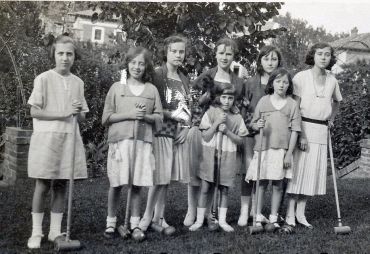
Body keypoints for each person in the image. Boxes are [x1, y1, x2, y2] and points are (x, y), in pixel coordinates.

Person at [27, 35, 89, 249]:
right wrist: (64, 112)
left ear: (74, 57)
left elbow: (81, 116)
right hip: (47, 137)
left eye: (69, 54)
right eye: (60, 53)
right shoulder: (43, 79)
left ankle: (55, 231)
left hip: (69, 137)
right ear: (53, 54)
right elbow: (35, 111)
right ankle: (36, 232)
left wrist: (78, 111)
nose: (65, 58)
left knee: (61, 184)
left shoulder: (78, 82)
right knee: (43, 183)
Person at [102, 46, 163, 239]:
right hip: (120, 143)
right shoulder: (117, 88)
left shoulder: (151, 90)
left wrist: (146, 116)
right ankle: (111, 223)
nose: (137, 67)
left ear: (147, 67)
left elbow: (159, 118)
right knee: (116, 183)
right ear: (127, 64)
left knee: (137, 184)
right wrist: (129, 114)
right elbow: (106, 118)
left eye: (141, 63)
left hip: (142, 142)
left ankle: (135, 224)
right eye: (133, 62)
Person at [186, 37, 247, 229]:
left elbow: (239, 107)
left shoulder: (237, 81)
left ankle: (212, 216)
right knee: (200, 174)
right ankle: (193, 211)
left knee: (219, 175)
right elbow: (192, 100)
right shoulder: (207, 76)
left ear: (233, 56)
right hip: (204, 128)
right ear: (215, 54)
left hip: (226, 132)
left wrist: (234, 114)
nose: (225, 57)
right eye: (221, 53)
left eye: (229, 53)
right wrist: (200, 111)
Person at [285, 42, 342, 229]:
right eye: (320, 54)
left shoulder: (333, 80)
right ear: (313, 56)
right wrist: (300, 134)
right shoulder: (301, 77)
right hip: (303, 128)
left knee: (312, 174)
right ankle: (289, 213)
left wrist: (331, 119)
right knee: (299, 171)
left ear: (331, 58)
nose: (324, 57)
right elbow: (294, 107)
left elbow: (337, 102)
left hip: (321, 129)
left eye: (327, 54)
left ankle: (301, 213)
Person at [139, 35, 191, 234]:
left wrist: (186, 126)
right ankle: (146, 217)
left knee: (166, 179)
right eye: (174, 51)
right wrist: (175, 115)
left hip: (176, 134)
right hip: (159, 131)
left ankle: (159, 217)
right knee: (158, 177)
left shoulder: (184, 78)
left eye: (181, 51)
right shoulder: (158, 75)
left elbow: (188, 107)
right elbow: (154, 106)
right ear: (166, 52)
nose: (178, 55)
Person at [245, 68, 301, 230]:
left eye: (285, 82)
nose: (281, 85)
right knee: (261, 183)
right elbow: (253, 124)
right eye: (278, 81)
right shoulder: (264, 101)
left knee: (278, 184)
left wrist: (289, 154)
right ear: (272, 83)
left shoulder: (292, 104)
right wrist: (257, 124)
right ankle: (257, 216)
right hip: (264, 149)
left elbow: (296, 131)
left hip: (281, 151)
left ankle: (274, 217)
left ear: (289, 85)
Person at [189, 83, 248, 232]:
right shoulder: (211, 112)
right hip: (210, 154)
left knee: (224, 189)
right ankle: (199, 220)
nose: (227, 101)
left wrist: (227, 131)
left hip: (228, 155)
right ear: (218, 98)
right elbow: (206, 136)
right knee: (205, 187)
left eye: (230, 98)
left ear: (234, 99)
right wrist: (216, 124)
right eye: (224, 97)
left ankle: (221, 220)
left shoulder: (237, 117)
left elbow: (241, 140)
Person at [239, 45, 283, 226]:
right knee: (250, 171)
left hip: (272, 135)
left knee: (265, 173)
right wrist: (251, 125)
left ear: (279, 61)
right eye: (266, 59)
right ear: (259, 61)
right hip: (252, 133)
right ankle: (244, 211)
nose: (270, 62)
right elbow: (241, 111)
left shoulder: (281, 82)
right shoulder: (250, 83)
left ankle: (255, 211)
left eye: (273, 59)